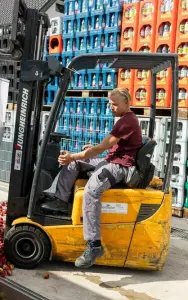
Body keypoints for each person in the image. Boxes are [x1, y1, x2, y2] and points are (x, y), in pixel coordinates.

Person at [41, 88, 143, 268]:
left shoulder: (127, 121)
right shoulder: (123, 119)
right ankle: (60, 200)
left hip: (121, 166)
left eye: (115, 104)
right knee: (74, 164)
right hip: (113, 158)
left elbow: (101, 148)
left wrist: (76, 154)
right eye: (110, 104)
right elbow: (109, 146)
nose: (111, 107)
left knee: (91, 192)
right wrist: (82, 155)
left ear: (127, 103)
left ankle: (94, 245)